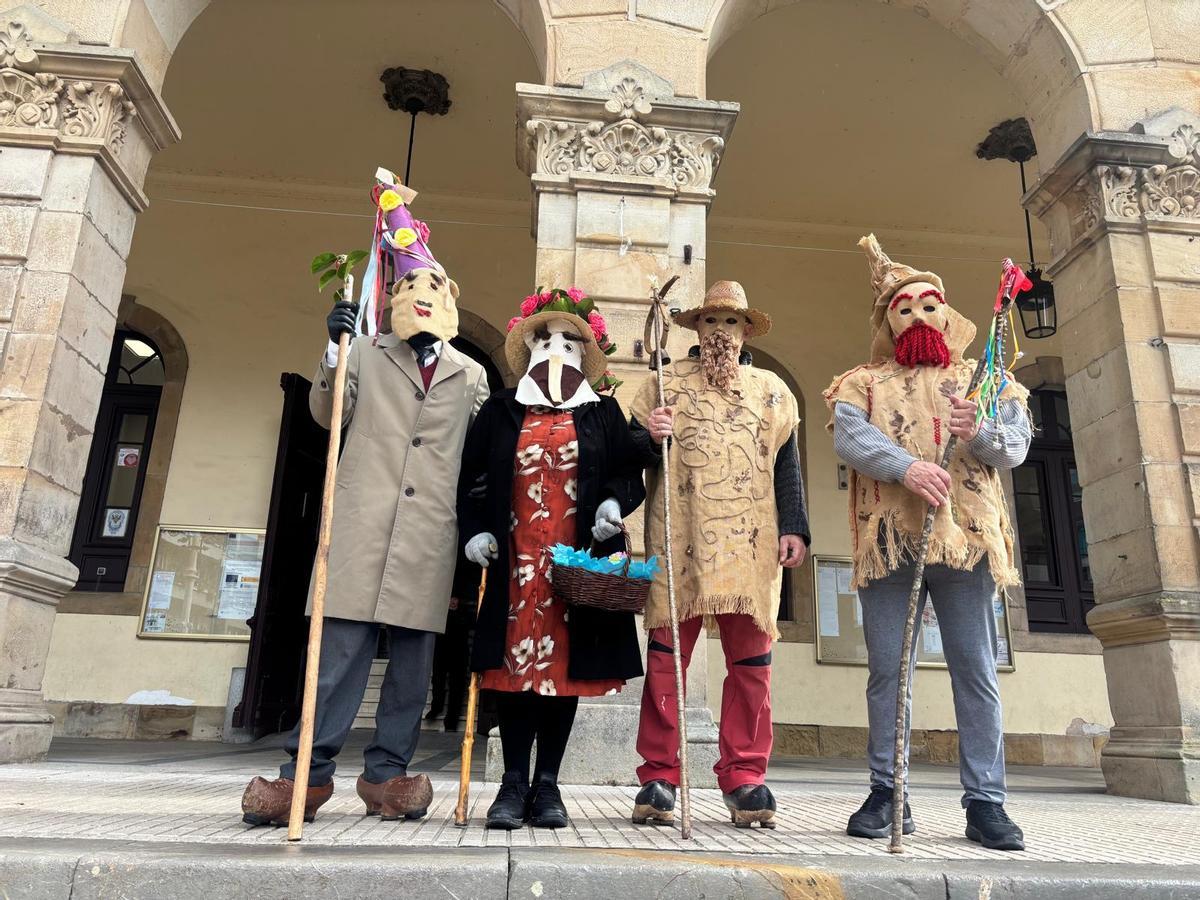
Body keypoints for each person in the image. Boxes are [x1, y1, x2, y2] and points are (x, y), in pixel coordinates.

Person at [240, 176, 490, 826]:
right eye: (409, 288)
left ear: (450, 302)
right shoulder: (367, 354)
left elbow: (485, 451)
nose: (420, 298)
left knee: (410, 672)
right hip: (359, 528)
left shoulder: (474, 376)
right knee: (336, 662)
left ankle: (388, 775)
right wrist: (333, 351)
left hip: (428, 537)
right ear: (393, 297)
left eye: (431, 289)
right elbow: (326, 415)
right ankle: (305, 775)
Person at [824, 234, 1031, 851]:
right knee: (889, 671)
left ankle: (986, 803)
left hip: (967, 544)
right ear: (888, 321)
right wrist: (905, 467)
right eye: (904, 306)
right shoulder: (860, 381)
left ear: (947, 313)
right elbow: (848, 439)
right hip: (892, 542)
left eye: (929, 303)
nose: (919, 314)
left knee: (976, 671)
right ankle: (889, 792)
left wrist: (983, 429)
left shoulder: (985, 378)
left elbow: (1015, 449)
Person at [458, 288, 646, 829]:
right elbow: (473, 478)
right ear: (531, 346)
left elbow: (627, 471)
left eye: (570, 339)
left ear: (585, 353)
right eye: (547, 337)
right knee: (515, 673)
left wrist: (613, 501)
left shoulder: (602, 411)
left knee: (563, 672)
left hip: (576, 566)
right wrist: (473, 532)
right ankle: (513, 783)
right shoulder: (499, 410)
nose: (557, 347)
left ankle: (548, 785)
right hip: (515, 564)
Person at [629, 280, 809, 829]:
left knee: (752, 665)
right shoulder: (661, 385)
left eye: (731, 323)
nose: (721, 332)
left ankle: (745, 776)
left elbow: (787, 466)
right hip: (679, 536)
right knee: (665, 663)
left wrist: (796, 527)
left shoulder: (774, 391)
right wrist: (645, 436)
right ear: (695, 329)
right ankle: (658, 775)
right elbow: (628, 456)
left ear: (746, 330)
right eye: (711, 322)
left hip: (751, 544)